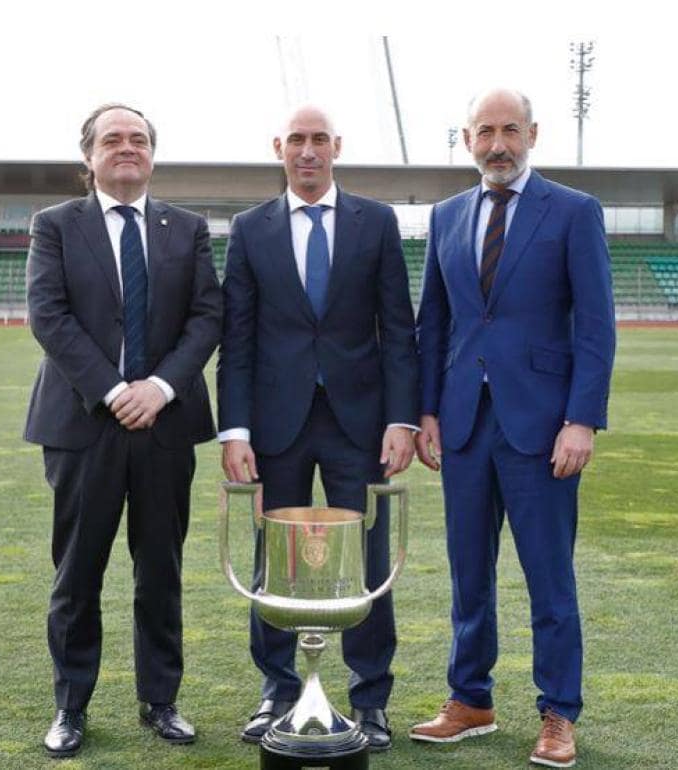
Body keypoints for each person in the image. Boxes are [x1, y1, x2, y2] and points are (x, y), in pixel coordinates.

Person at [409, 88, 616, 768]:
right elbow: (433, 322)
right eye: (485, 131)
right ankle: (469, 698)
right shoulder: (446, 217)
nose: (498, 143)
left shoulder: (574, 212)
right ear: (465, 139)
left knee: (548, 577)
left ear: (533, 134)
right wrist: (428, 410)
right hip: (465, 422)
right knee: (470, 574)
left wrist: (582, 419)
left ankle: (559, 712)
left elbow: (595, 325)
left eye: (510, 130)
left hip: (543, 426)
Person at [217, 105, 419, 752]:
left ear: (337, 146)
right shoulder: (249, 231)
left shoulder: (377, 222)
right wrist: (235, 432)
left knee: (366, 559)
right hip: (276, 423)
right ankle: (277, 689)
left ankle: (371, 698)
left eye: (319, 140)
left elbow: (399, 328)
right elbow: (238, 336)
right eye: (296, 140)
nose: (308, 151)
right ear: (279, 147)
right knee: (272, 563)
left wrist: (401, 419)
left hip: (361, 424)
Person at [23, 103, 222, 757]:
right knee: (78, 573)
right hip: (84, 425)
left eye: (138, 139)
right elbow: (49, 316)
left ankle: (160, 701)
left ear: (153, 154)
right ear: (89, 157)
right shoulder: (54, 226)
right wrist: (113, 391)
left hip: (165, 425)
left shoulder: (186, 229)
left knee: (159, 571)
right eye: (113, 139)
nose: (127, 147)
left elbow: (205, 317)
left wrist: (159, 388)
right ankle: (70, 706)